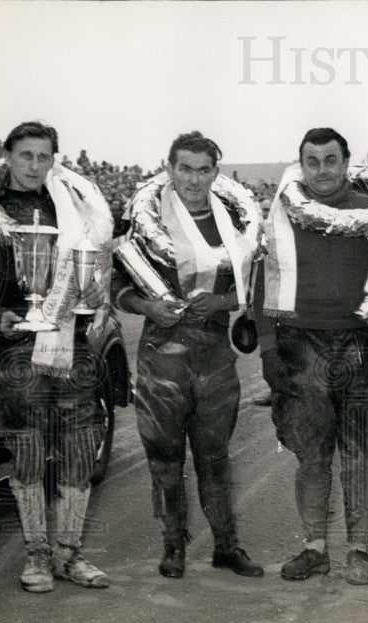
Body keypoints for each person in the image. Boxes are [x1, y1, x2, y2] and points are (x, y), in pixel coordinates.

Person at [0, 121, 113, 592]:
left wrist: (94, 291)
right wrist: (0, 315)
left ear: (54, 160)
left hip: (75, 346)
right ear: (6, 156)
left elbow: (97, 271)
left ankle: (71, 555)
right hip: (16, 352)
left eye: (43, 156)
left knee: (79, 451)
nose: (34, 165)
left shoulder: (73, 210)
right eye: (25, 155)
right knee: (26, 455)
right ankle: (37, 558)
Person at [112, 131, 263, 578]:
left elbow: (256, 286)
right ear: (169, 168)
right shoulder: (146, 222)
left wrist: (223, 301)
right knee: (165, 457)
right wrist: (146, 306)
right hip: (163, 356)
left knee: (215, 454)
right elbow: (115, 285)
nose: (195, 180)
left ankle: (226, 546)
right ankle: (172, 545)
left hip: (215, 354)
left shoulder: (234, 226)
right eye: (185, 169)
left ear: (217, 172)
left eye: (204, 170)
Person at [255, 127, 368, 586]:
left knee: (358, 454)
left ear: (346, 162)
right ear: (300, 165)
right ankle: (315, 546)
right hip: (301, 345)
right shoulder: (283, 212)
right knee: (312, 456)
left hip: (362, 345)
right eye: (312, 161)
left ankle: (358, 549)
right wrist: (266, 349)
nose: (321, 170)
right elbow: (264, 281)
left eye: (330, 160)